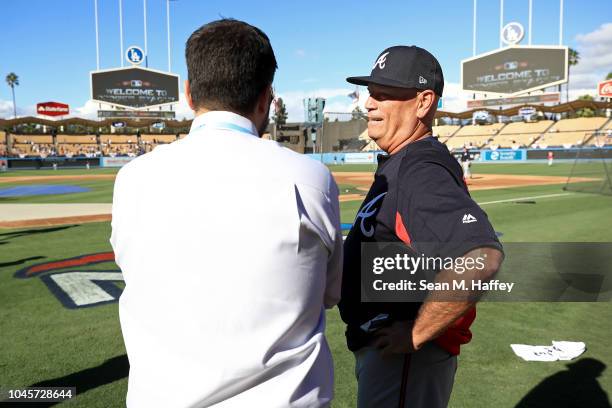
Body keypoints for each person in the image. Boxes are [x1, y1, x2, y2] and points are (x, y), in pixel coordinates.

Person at [111, 19, 343, 407]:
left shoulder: (132, 179)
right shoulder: (310, 177)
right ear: (267, 97)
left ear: (188, 93)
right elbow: (330, 293)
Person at [338, 46, 504, 408]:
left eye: (383, 95)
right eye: (371, 93)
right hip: (391, 358)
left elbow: (481, 257)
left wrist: (416, 333)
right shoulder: (403, 162)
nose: (369, 103)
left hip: (406, 361)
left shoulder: (420, 168)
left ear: (424, 101)